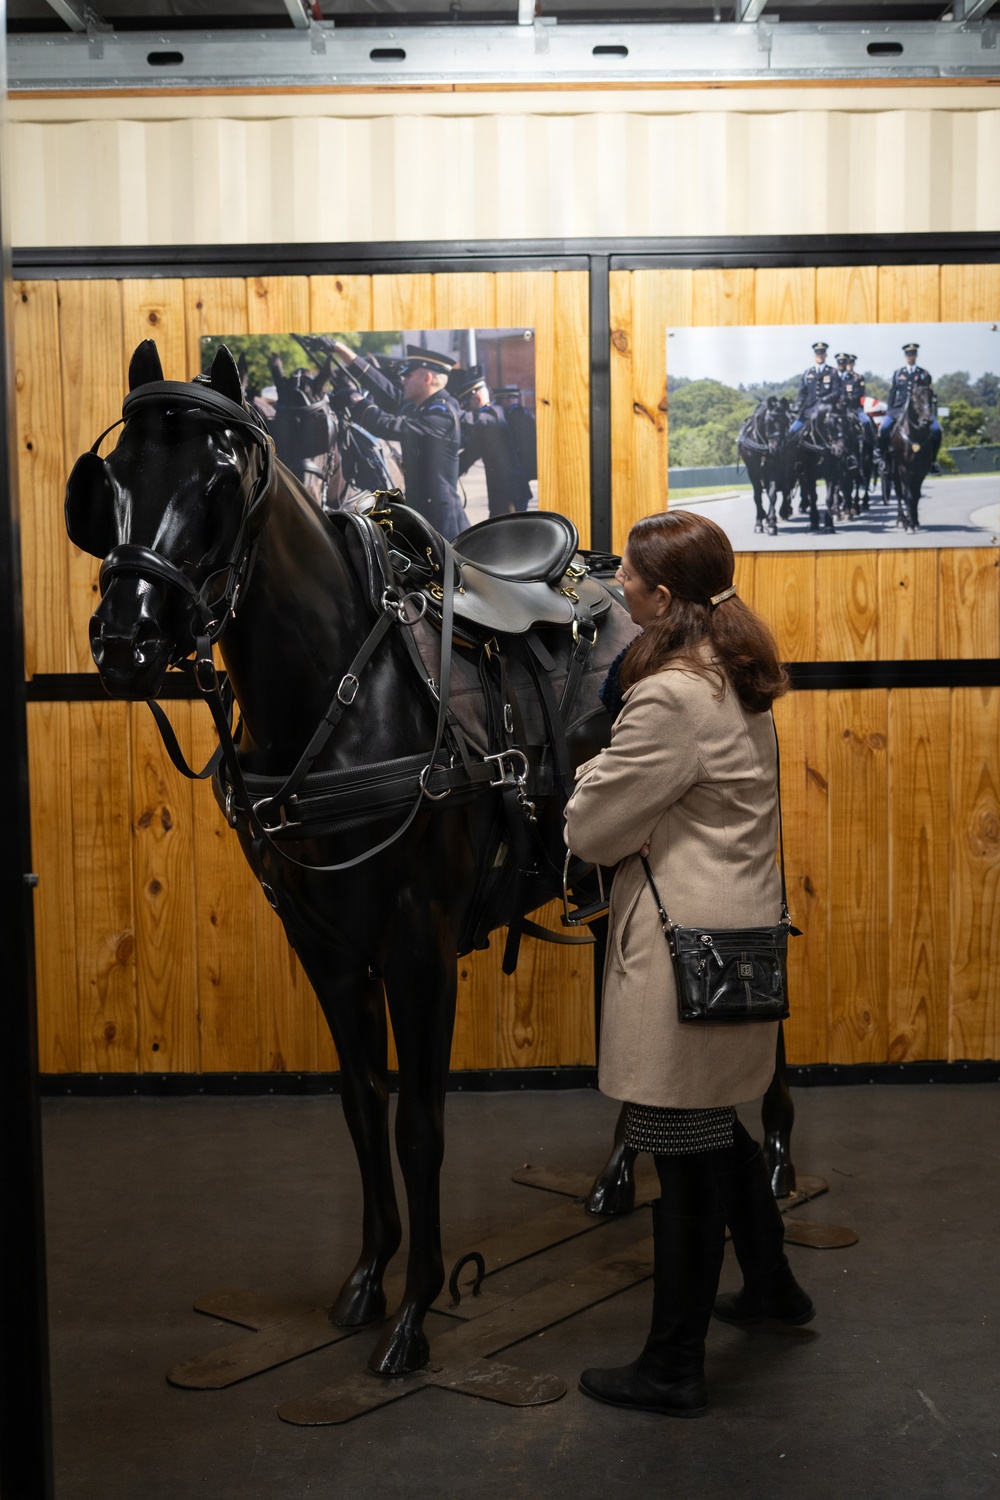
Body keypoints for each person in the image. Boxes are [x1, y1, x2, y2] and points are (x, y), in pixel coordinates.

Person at [564, 510, 813, 1419]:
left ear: (660, 596)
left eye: (626, 576)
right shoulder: (735, 673)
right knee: (719, 1133)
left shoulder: (669, 695)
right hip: (734, 945)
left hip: (680, 957)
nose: (615, 586)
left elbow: (592, 828)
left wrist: (589, 779)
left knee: (682, 1154)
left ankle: (673, 1366)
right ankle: (778, 1290)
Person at [330, 340, 468, 539]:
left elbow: (389, 425)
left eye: (408, 376)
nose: (403, 380)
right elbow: (382, 386)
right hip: (421, 513)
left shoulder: (442, 413)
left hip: (442, 523)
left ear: (427, 378)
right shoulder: (418, 407)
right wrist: (341, 350)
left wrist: (357, 401)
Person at [451, 364, 532, 516]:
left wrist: (451, 413)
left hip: (511, 493)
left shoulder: (492, 414)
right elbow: (470, 454)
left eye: (467, 404)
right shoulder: (487, 424)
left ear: (478, 398)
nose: (467, 409)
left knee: (513, 535)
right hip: (501, 494)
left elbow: (474, 419)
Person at [878, 341, 942, 474]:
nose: (910, 356)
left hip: (920, 412)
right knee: (884, 429)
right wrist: (890, 411)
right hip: (899, 410)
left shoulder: (924, 373)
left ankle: (933, 461)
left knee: (937, 430)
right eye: (908, 354)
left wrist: (928, 412)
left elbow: (928, 395)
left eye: (912, 354)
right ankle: (883, 459)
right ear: (905, 356)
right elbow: (892, 394)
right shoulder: (898, 373)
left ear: (916, 355)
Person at [788, 340, 843, 436]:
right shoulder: (808, 373)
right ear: (814, 355)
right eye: (818, 353)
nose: (820, 355)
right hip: (808, 411)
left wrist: (826, 399)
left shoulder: (832, 372)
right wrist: (798, 404)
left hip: (826, 411)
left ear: (825, 355)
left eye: (822, 353)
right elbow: (802, 393)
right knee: (792, 431)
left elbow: (836, 391)